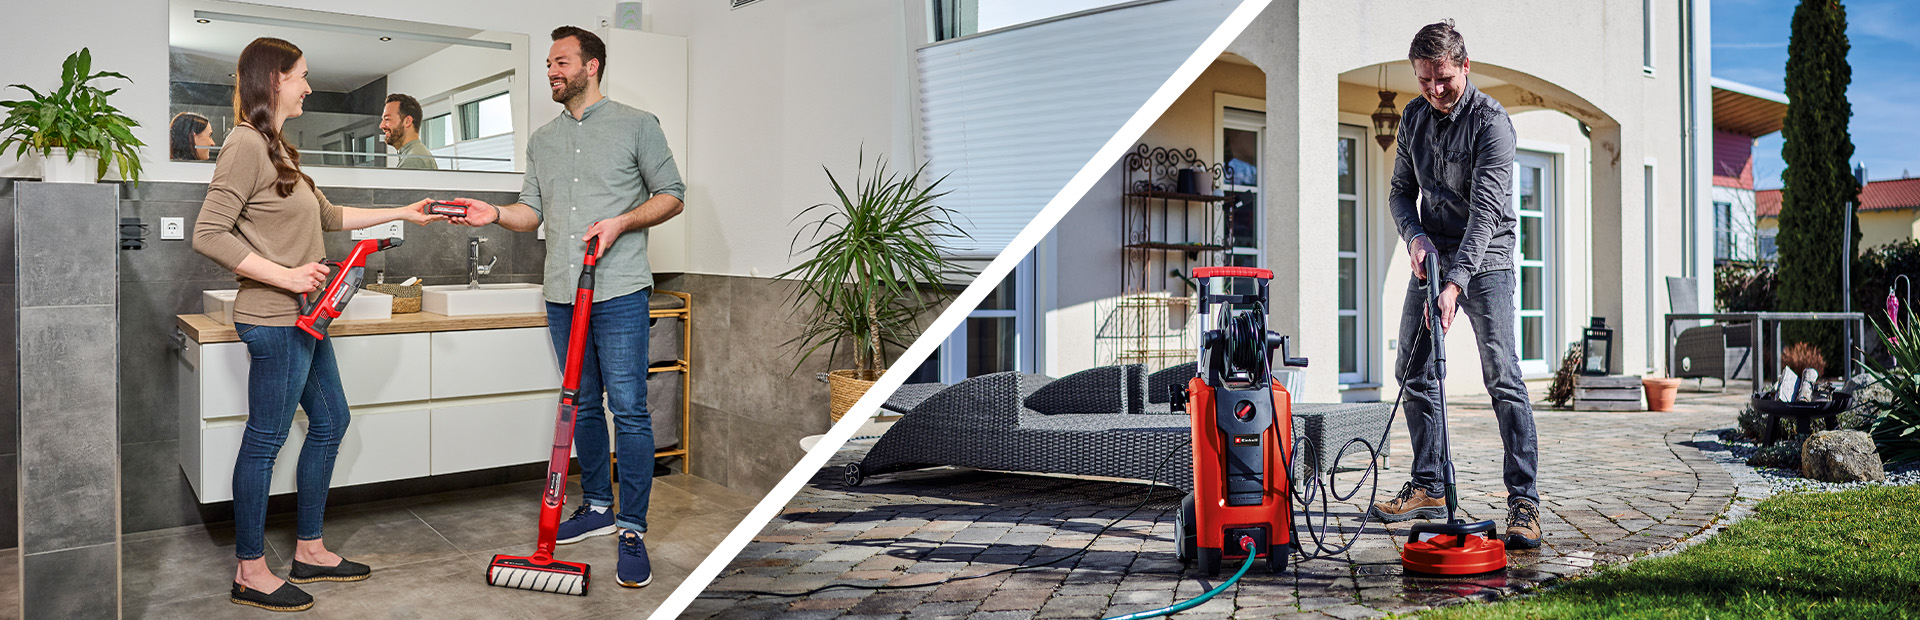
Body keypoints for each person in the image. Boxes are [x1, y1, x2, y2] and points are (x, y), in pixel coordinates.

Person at [193, 37, 444, 612]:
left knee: (331, 421)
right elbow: (209, 233)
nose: (308, 85)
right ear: (274, 80)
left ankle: (309, 548)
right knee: (265, 440)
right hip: (274, 319)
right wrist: (285, 277)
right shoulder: (244, 144)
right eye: (302, 75)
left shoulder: (278, 147)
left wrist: (404, 212)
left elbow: (330, 217)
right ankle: (250, 570)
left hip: (306, 319)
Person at [447, 25, 684, 589]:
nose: (551, 71)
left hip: (620, 289)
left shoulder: (637, 125)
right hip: (561, 291)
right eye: (548, 64)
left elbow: (672, 194)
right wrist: (496, 214)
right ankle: (598, 505)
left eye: (561, 62)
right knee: (578, 405)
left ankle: (631, 525)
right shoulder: (542, 140)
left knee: (628, 407)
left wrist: (622, 221)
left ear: (591, 66)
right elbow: (532, 210)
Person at [1367, 19, 1542, 550]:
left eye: (1443, 78)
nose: (1435, 90)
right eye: (1424, 80)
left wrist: (1456, 282)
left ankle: (1524, 502)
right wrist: (1415, 239)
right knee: (1411, 368)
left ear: (1464, 67)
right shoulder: (1413, 119)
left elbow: (1487, 212)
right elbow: (1400, 193)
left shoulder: (1493, 124)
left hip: (1484, 259)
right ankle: (1428, 482)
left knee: (1502, 373)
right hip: (1432, 257)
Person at [380, 93, 437, 169]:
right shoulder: (416, 155)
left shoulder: (413, 160)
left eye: (387, 119)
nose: (382, 126)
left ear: (407, 121)